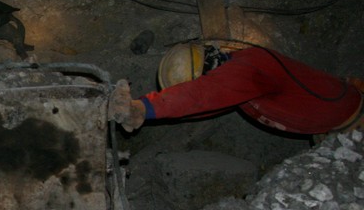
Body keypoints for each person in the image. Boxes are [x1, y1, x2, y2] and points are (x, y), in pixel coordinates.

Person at [109, 42, 364, 135]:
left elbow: (203, 95)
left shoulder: (252, 66)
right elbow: (202, 106)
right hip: (337, 129)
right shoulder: (242, 84)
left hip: (356, 118)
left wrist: (144, 107)